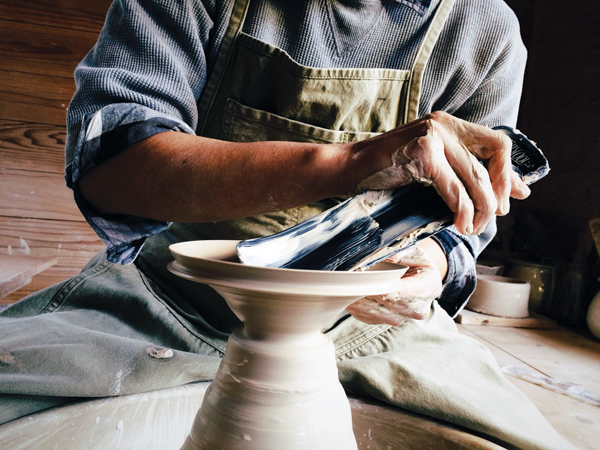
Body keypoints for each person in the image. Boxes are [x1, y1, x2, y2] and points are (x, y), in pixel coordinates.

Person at [0, 0, 574, 448]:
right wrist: (350, 163)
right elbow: (112, 165)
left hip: (369, 324)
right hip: (164, 297)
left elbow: (465, 226)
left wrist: (436, 261)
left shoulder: (485, 31)